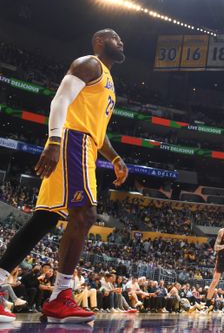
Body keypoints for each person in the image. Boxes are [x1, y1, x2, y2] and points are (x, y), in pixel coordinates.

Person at [0, 29, 128, 323]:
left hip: (85, 145)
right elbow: (59, 101)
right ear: (98, 42)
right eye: (114, 38)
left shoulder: (108, 80)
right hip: (73, 142)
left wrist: (116, 157)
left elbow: (99, 130)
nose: (121, 42)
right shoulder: (89, 64)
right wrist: (55, 140)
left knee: (44, 219)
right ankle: (61, 296)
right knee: (84, 214)